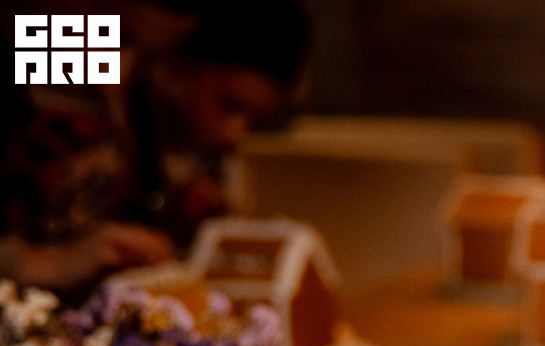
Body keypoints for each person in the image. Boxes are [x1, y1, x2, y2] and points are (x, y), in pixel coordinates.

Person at [0, 0, 313, 294]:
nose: (118, 70)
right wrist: (43, 265)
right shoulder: (40, 57)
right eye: (120, 36)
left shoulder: (137, 107)